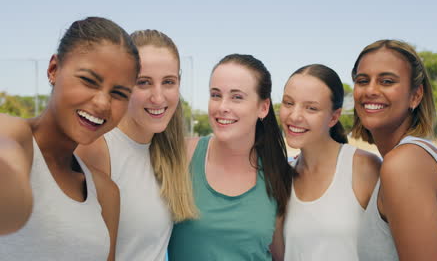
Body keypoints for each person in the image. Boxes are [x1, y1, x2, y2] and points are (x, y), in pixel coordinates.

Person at [0, 17, 140, 261]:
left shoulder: (106, 192)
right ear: (54, 69)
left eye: (118, 94)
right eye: (88, 80)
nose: (102, 103)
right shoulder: (14, 135)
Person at [76, 30, 197, 261]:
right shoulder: (97, 150)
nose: (158, 97)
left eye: (168, 82)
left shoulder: (169, 154)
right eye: (143, 83)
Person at [168, 54, 294, 260]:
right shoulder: (182, 155)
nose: (222, 106)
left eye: (237, 97)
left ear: (263, 107)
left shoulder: (279, 176)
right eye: (215, 95)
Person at [353, 39, 437, 260]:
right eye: (362, 80)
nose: (370, 90)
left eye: (386, 81)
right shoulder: (420, 156)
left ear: (415, 96)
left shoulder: (404, 163)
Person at [278, 64, 381, 260]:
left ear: (334, 117)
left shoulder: (363, 167)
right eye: (288, 103)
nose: (294, 116)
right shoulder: (282, 178)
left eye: (311, 108)